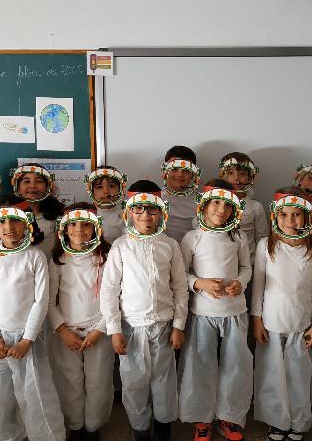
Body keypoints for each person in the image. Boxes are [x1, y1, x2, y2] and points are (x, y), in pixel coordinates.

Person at [99, 180, 189, 441]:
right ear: (129, 212)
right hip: (131, 326)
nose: (146, 215)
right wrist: (114, 330)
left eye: (152, 209)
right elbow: (109, 290)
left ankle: (163, 427)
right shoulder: (121, 246)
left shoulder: (170, 245)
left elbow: (180, 287)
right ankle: (140, 428)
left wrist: (178, 326)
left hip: (163, 326)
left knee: (164, 379)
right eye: (138, 209)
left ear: (161, 212)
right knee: (134, 381)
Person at [0, 196, 66, 441]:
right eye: (1, 222)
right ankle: (9, 436)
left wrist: (26, 340)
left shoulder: (35, 256)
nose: (9, 227)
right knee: (1, 397)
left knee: (36, 394)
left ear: (27, 223)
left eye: (15, 220)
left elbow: (41, 302)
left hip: (29, 339)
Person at [178, 179, 253, 441]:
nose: (221, 210)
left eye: (227, 205)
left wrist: (240, 283)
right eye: (216, 203)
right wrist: (199, 283)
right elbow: (181, 273)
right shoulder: (192, 238)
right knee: (200, 366)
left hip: (234, 312)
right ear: (203, 206)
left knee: (236, 366)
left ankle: (229, 418)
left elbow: (246, 268)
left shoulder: (238, 237)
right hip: (202, 313)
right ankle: (202, 419)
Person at [250, 188, 312, 441]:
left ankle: (299, 422)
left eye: (296, 215)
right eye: (283, 215)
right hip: (271, 323)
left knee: (298, 375)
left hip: (301, 323)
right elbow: (258, 285)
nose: (290, 221)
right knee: (271, 375)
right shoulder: (266, 245)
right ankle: (277, 421)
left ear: (307, 217)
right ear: (275, 216)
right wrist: (257, 319)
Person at [48, 203, 114, 441]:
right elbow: (48, 301)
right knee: (70, 381)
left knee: (99, 381)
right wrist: (62, 330)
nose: (79, 229)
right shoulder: (57, 260)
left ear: (96, 228)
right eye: (73, 224)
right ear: (63, 229)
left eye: (86, 224)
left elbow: (115, 297)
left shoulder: (107, 258)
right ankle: (75, 426)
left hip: (99, 331)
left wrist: (100, 329)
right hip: (66, 332)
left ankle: (93, 427)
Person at [218, 152, 269, 266]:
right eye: (230, 173)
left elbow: (262, 240)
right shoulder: (213, 206)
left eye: (242, 174)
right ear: (222, 175)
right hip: (221, 263)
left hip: (248, 264)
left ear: (250, 177)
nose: (236, 178)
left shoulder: (256, 207)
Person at [10, 163, 66, 256]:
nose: (33, 186)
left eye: (39, 181)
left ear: (48, 186)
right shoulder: (8, 217)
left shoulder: (59, 216)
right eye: (26, 181)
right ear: (18, 187)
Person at [161, 145, 201, 243]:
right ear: (165, 171)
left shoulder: (202, 202)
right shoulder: (155, 199)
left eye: (186, 170)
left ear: (193, 174)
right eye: (174, 169)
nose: (180, 174)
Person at [85, 166, 127, 243]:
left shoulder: (129, 213)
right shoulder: (86, 215)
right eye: (99, 187)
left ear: (120, 189)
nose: (106, 191)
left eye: (112, 186)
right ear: (92, 192)